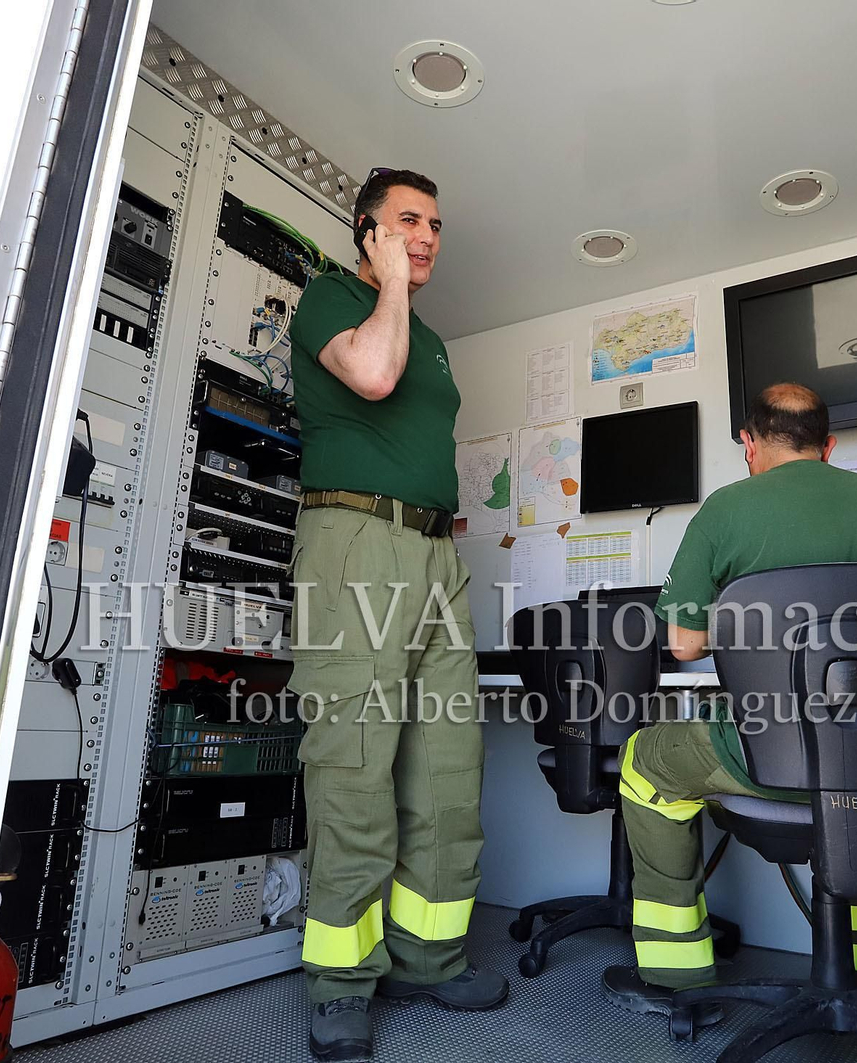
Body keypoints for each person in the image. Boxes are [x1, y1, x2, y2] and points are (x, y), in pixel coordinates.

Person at [603, 383, 857, 1015]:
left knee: (644, 762)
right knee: (851, 764)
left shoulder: (727, 509)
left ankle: (677, 972)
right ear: (828, 446)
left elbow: (686, 647)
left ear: (749, 442)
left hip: (770, 759)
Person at [286, 168, 506, 1061]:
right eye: (407, 220)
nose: (427, 236)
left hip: (436, 554)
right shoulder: (330, 299)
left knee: (448, 762)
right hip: (356, 541)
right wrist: (387, 284)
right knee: (356, 761)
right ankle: (341, 980)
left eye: (437, 225)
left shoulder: (435, 338)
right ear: (368, 230)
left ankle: (430, 954)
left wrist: (404, 297)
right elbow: (373, 375)